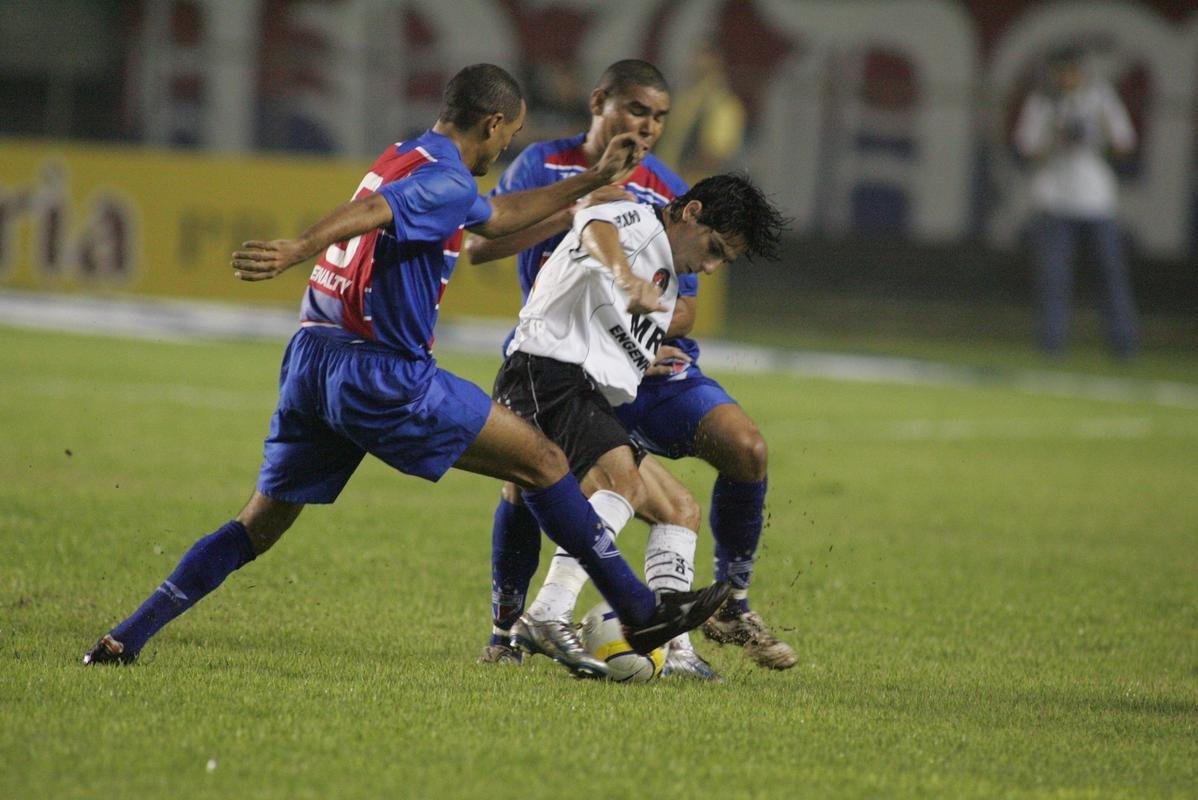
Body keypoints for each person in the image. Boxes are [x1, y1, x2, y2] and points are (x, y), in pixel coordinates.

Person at [81, 63, 730, 670]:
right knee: (544, 463)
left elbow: (493, 218)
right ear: (494, 126)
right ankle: (640, 613)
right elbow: (375, 212)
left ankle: (127, 636)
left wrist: (589, 181)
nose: (505, 150)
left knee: (259, 524)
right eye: (509, 135)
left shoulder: (409, 156)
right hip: (383, 374)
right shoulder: (447, 177)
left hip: (313, 361)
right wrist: (300, 246)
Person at [468, 59, 797, 676]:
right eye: (637, 111)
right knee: (549, 485)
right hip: (548, 365)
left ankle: (666, 645)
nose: (648, 127)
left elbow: (659, 303)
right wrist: (622, 276)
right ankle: (523, 623)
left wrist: (645, 345)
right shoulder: (619, 199)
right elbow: (593, 225)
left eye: (659, 117)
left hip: (592, 380)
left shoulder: (669, 256)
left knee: (662, 500)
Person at [1014, 45, 1139, 358]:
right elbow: (1027, 150)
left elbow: (1124, 145)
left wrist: (1099, 127)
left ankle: (1124, 346)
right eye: (1060, 71)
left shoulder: (1100, 98)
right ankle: (1052, 347)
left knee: (1110, 275)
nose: (1066, 77)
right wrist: (1054, 134)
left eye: (1071, 70)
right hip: (1054, 200)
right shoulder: (1043, 102)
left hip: (1097, 201)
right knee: (1054, 278)